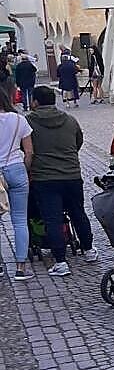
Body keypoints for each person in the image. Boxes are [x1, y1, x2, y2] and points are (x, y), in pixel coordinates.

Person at [27, 86, 98, 275]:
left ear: (35, 102)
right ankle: (89, 250)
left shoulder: (29, 122)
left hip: (45, 178)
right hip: (72, 175)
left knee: (52, 219)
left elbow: (25, 148)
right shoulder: (70, 119)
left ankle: (60, 261)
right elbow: (78, 142)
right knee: (78, 213)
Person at [0, 90, 33, 279]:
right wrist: (25, 170)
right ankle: (20, 267)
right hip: (16, 168)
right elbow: (29, 152)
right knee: (20, 220)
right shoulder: (19, 120)